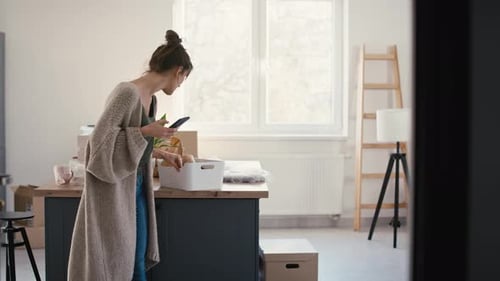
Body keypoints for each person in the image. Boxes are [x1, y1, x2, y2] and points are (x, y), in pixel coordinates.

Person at [67, 29, 193, 281]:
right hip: (112, 191)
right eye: (183, 79)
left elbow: (129, 143)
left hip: (135, 187)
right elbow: (99, 146)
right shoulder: (126, 93)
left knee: (134, 259)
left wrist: (158, 152)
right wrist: (146, 130)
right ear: (178, 71)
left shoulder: (152, 100)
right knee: (122, 262)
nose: (180, 86)